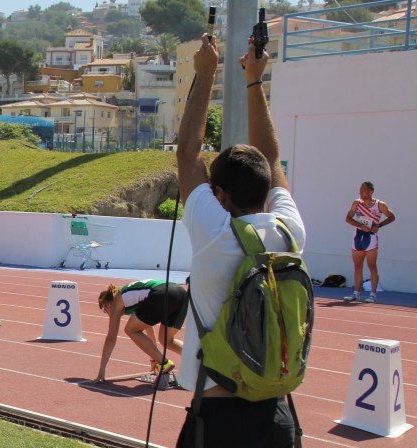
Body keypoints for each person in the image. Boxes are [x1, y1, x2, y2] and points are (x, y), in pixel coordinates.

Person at [173, 36, 303, 447]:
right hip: (278, 411)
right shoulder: (289, 231)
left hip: (220, 417)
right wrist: (254, 81)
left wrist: (206, 73)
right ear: (266, 189)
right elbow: (273, 158)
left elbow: (188, 153)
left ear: (220, 196)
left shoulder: (215, 235)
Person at [93, 279, 187, 383]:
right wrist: (153, 359)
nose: (107, 314)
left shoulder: (117, 303)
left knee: (130, 330)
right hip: (180, 293)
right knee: (166, 340)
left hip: (160, 294)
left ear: (108, 305)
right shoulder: (134, 301)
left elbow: (111, 337)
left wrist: (101, 370)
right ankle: (198, 357)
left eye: (104, 310)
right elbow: (149, 331)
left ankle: (164, 363)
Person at [343, 181, 395, 303]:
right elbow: (348, 218)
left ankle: (373, 293)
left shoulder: (379, 205)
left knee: (372, 266)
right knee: (357, 266)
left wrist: (379, 225)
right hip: (358, 237)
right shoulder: (357, 203)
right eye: (360, 190)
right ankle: (356, 293)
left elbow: (392, 216)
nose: (360, 193)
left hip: (371, 237)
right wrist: (361, 226)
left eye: (363, 191)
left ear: (370, 192)